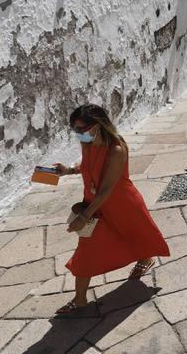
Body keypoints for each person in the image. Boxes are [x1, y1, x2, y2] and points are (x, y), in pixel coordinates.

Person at [51, 104, 171, 315]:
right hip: (94, 205)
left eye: (81, 129)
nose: (78, 134)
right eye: (75, 130)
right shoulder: (87, 145)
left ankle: (145, 258)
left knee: (134, 236)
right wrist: (68, 170)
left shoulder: (116, 149)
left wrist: (84, 216)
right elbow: (87, 166)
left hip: (121, 204)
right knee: (86, 250)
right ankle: (80, 300)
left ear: (97, 125)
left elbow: (107, 189)